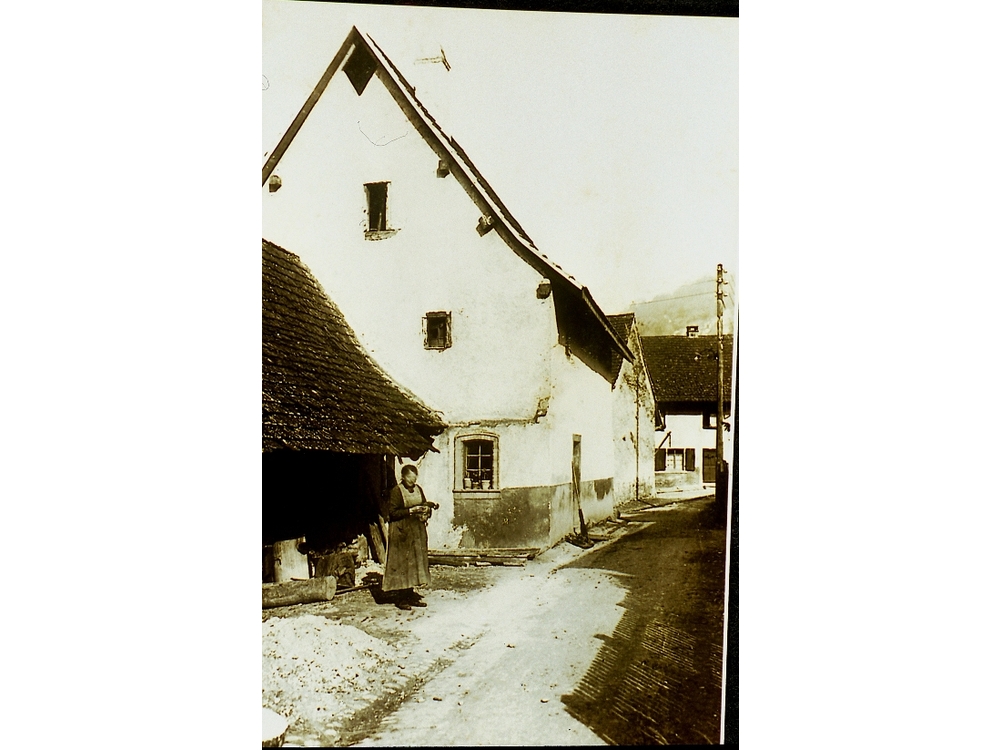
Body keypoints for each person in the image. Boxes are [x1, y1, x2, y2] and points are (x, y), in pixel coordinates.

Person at [382, 464, 437, 610]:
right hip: (401, 532)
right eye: (409, 480)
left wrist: (426, 509)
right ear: (403, 477)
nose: (412, 483)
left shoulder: (418, 489)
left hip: (416, 531)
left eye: (414, 480)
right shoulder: (396, 491)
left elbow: (422, 502)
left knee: (414, 563)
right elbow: (393, 513)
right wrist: (411, 510)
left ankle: (410, 594)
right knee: (402, 564)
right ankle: (401, 598)